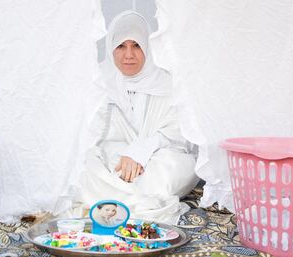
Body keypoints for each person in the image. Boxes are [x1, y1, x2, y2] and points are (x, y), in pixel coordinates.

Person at [72, 10, 199, 225]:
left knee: (179, 166)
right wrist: (119, 158)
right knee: (82, 166)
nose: (128, 54)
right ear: (111, 47)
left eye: (137, 45)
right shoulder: (99, 82)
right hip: (114, 161)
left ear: (148, 48)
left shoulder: (168, 83)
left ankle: (108, 200)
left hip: (157, 159)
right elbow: (87, 135)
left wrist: (142, 150)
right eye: (121, 46)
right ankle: (142, 203)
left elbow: (180, 134)